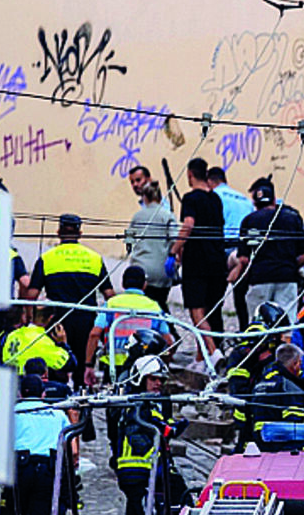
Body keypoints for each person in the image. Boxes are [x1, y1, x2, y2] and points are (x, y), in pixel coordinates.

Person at [113, 356, 187, 515]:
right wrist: (174, 428)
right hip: (140, 474)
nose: (158, 384)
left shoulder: (137, 403)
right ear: (140, 378)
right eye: (153, 379)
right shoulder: (140, 405)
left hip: (139, 475)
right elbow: (157, 431)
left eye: (160, 380)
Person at [23, 214, 114, 388]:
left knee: (58, 368)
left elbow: (31, 295)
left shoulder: (46, 259)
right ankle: (81, 407)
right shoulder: (94, 258)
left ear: (58, 232)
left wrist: (29, 320)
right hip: (86, 322)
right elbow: (109, 295)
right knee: (82, 369)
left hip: (56, 323)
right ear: (80, 233)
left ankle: (58, 402)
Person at [9, 374, 71, 515]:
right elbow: (69, 444)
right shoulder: (57, 413)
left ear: (20, 393)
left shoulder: (14, 413)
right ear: (43, 393)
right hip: (47, 471)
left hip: (20, 469)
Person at [170, 157, 227, 371]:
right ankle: (200, 358)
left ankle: (213, 352)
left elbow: (188, 224)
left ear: (190, 175)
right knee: (211, 310)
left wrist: (174, 251)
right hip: (217, 261)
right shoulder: (216, 200)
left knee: (196, 311)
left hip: (197, 262)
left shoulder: (190, 198)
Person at [236, 177, 304, 323]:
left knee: (258, 323)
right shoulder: (292, 218)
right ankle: (284, 345)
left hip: (260, 278)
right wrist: (293, 265)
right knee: (286, 323)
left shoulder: (249, 220)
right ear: (274, 200)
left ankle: (261, 346)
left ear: (255, 203)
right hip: (287, 278)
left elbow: (243, 259)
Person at [84, 266, 172, 386]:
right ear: (144, 285)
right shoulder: (154, 307)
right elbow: (169, 342)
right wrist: (162, 364)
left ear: (123, 284)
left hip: (113, 366)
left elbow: (95, 334)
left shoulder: (111, 304)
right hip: (144, 367)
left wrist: (89, 365)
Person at [226, 302, 288, 451]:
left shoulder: (272, 349)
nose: (282, 338)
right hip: (248, 416)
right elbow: (239, 390)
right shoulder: (241, 354)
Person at [208, 166, 255, 331]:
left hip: (224, 248)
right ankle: (244, 331)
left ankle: (217, 334)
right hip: (244, 250)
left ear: (210, 181)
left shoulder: (214, 196)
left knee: (215, 297)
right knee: (241, 296)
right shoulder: (244, 199)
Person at [126, 180, 178, 315]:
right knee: (160, 304)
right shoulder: (167, 216)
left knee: (142, 308)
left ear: (145, 197)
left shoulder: (137, 216)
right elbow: (175, 240)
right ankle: (169, 332)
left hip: (140, 269)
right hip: (161, 271)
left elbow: (128, 240)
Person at [250, 343, 304, 451]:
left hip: (259, 444)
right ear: (294, 364)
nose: (300, 369)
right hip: (282, 449)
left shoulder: (260, 383)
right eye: (300, 364)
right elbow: (295, 427)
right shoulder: (289, 387)